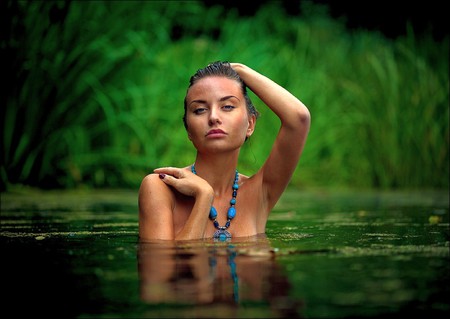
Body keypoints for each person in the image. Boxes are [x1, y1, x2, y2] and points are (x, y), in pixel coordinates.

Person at [138, 61, 310, 241]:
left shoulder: (259, 193)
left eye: (227, 106)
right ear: (188, 129)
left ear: (250, 124)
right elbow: (162, 266)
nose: (213, 117)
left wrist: (240, 70)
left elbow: (299, 119)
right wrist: (204, 197)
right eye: (200, 110)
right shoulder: (160, 188)